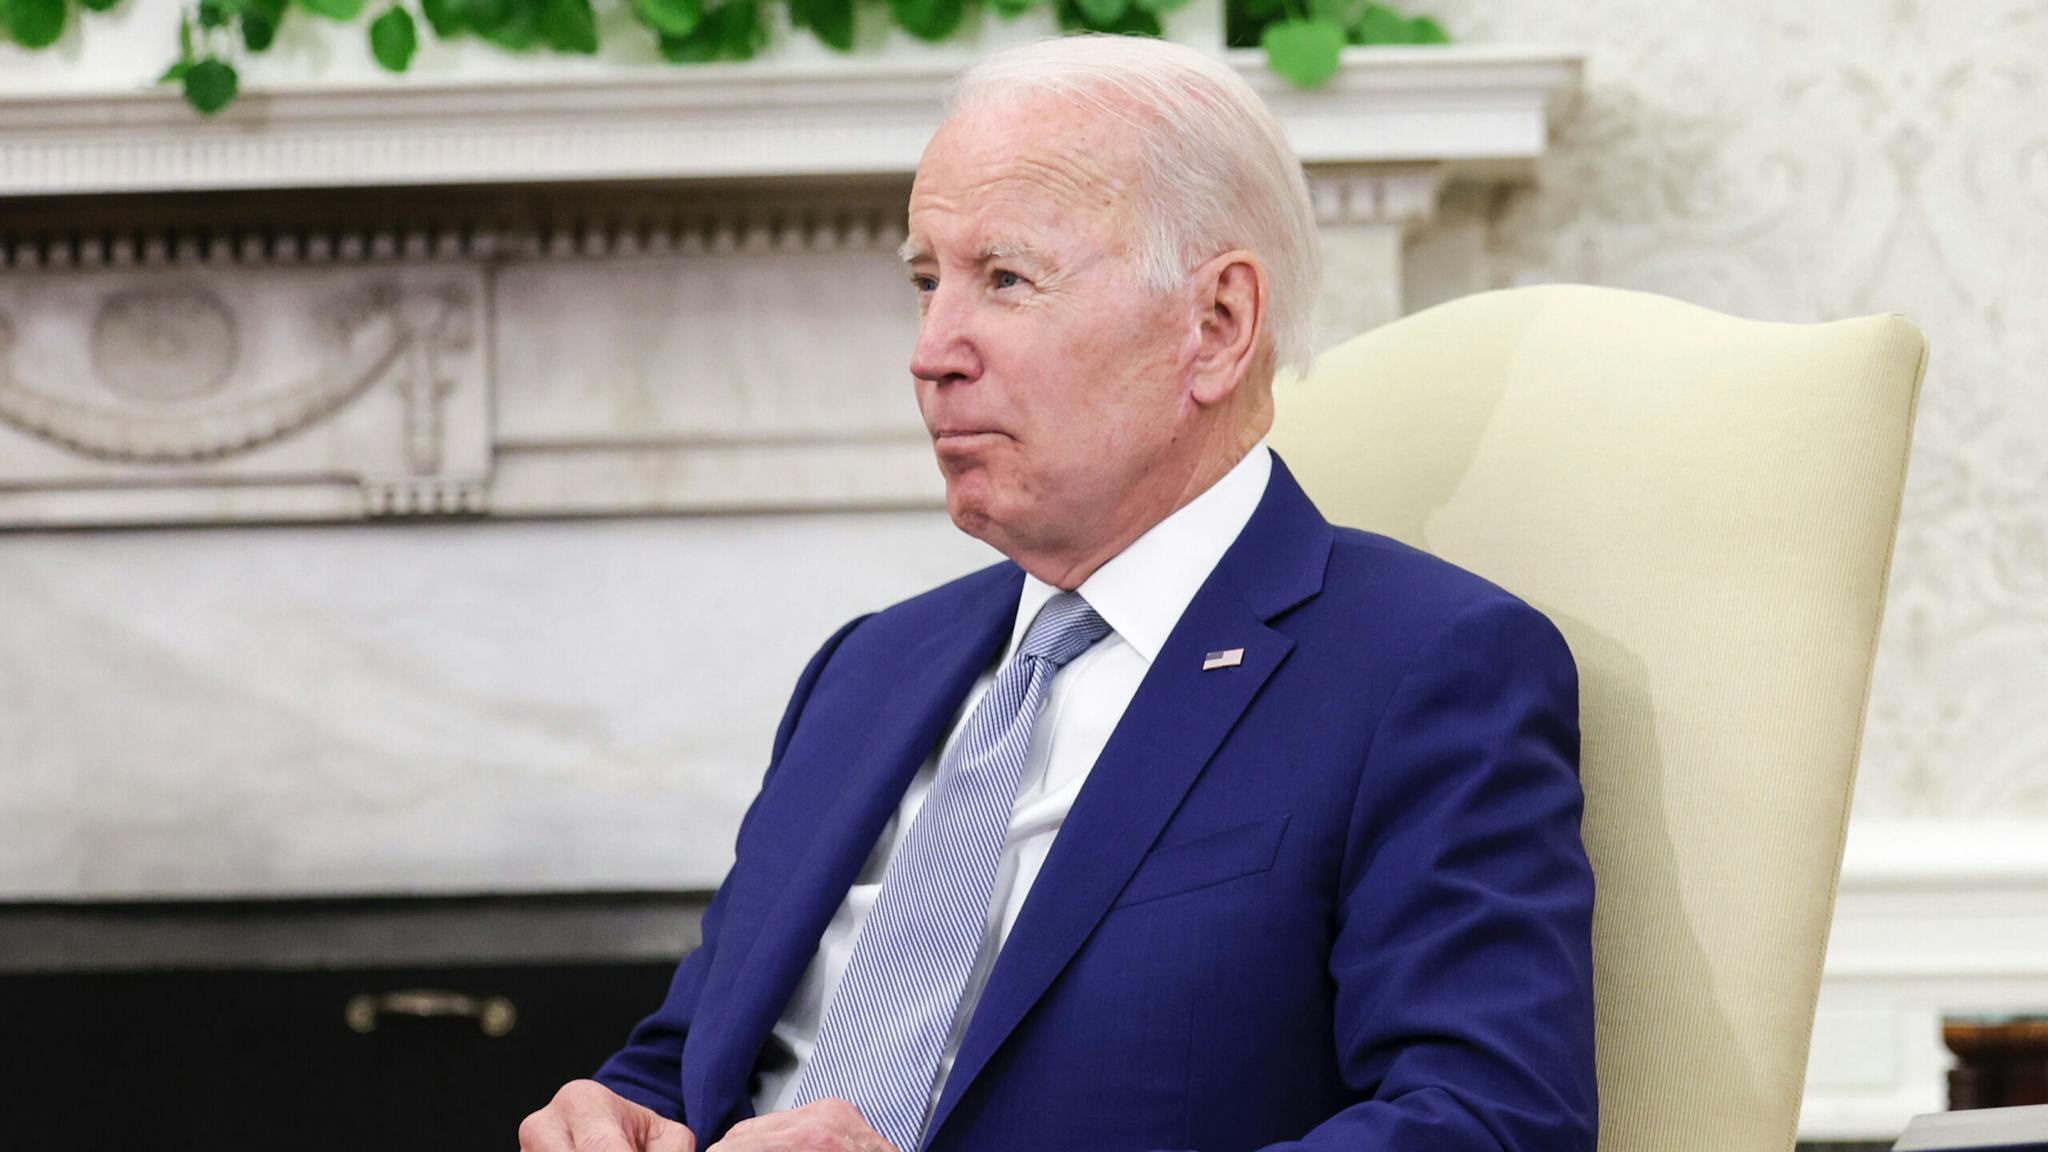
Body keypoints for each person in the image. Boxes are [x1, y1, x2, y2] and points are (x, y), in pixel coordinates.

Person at [519, 33, 1596, 1152]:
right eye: (925, 282)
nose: (930, 351)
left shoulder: (1425, 668)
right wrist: (617, 1117)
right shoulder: (866, 668)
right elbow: (694, 1059)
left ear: (1216, 326)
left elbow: (1486, 1125)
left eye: (1005, 280)